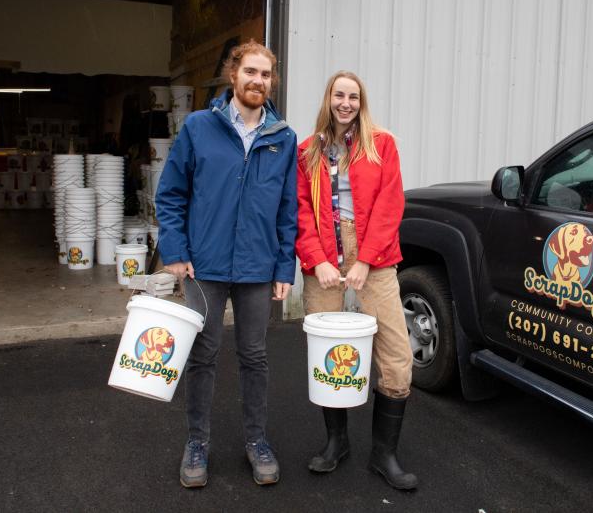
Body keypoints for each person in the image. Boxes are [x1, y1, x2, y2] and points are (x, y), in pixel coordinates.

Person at [155, 40, 297, 488]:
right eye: (250, 71)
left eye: (266, 74)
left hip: (258, 266)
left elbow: (288, 209)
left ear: (272, 81)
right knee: (204, 354)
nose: (258, 80)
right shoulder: (199, 127)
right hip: (205, 265)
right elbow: (171, 193)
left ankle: (257, 441)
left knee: (254, 356)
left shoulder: (283, 137)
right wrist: (176, 251)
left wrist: (284, 267)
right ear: (233, 74)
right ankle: (197, 442)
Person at [295, 71, 417, 490]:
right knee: (328, 351)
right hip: (324, 257)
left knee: (396, 354)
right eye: (339, 95)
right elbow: (300, 210)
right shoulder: (307, 151)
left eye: (353, 96)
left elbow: (390, 204)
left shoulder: (381, 144)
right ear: (328, 99)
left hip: (374, 256)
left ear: (361, 102)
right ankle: (337, 442)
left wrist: (365, 259)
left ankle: (384, 454)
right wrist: (317, 260)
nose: (345, 103)